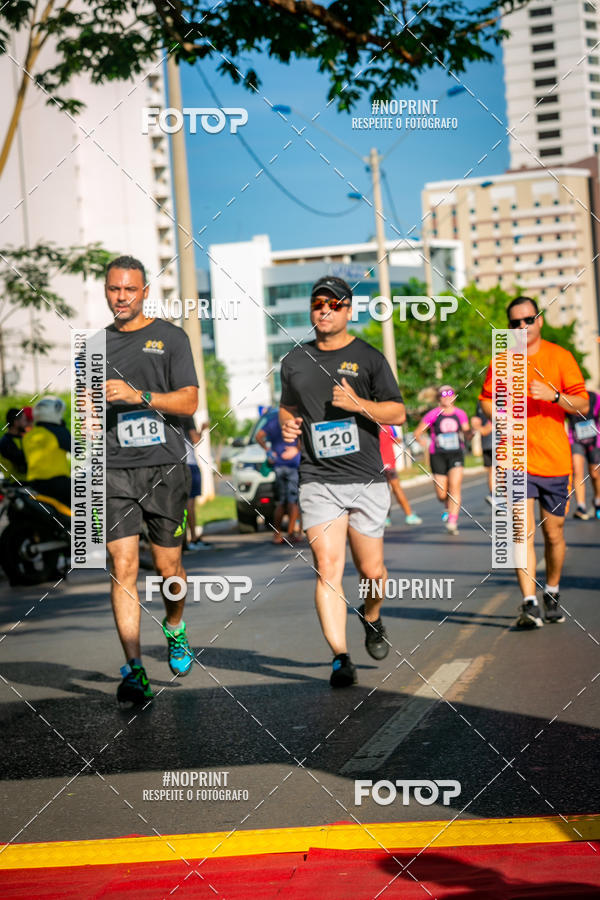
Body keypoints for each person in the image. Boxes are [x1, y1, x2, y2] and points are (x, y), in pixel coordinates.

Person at [279, 276, 406, 688]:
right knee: (328, 566)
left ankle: (371, 615)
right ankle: (340, 657)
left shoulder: (369, 358)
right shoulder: (294, 361)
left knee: (373, 572)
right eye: (318, 304)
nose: (325, 311)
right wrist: (287, 424)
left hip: (365, 479)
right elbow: (287, 408)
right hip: (318, 478)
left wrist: (359, 405)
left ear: (348, 310)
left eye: (334, 304)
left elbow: (398, 413)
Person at [104, 255, 199, 706]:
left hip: (163, 467)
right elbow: (85, 417)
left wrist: (138, 395)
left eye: (129, 289)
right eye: (114, 289)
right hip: (113, 470)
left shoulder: (170, 338)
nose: (121, 297)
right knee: (122, 567)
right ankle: (136, 670)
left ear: (144, 291)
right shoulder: (91, 345)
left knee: (168, 571)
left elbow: (190, 402)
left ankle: (175, 626)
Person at [479, 296, 588, 629]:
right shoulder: (502, 361)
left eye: (528, 320)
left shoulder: (561, 356)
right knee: (519, 533)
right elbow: (484, 402)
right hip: (516, 459)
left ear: (539, 320)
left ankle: (551, 589)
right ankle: (528, 603)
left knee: (554, 534)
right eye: (515, 323)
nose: (522, 328)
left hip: (555, 461)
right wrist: (500, 411)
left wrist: (554, 396)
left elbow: (582, 401)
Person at [413, 386, 470, 534]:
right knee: (442, 493)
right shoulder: (433, 414)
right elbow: (418, 432)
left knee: (455, 486)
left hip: (456, 454)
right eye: (443, 395)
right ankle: (447, 505)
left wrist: (472, 432)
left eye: (450, 394)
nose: (447, 397)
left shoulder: (460, 414)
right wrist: (423, 442)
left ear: (454, 396)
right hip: (437, 455)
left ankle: (452, 521)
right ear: (438, 398)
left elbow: (467, 432)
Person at [256, 412, 301, 544]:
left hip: (279, 464)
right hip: (293, 464)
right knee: (293, 501)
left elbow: (258, 436)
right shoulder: (295, 419)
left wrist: (268, 450)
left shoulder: (273, 421)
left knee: (281, 501)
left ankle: (277, 534)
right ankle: (292, 534)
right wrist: (297, 450)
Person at [22, 397, 71, 508]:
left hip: (34, 484)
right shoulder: (58, 432)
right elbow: (78, 449)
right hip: (58, 484)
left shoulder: (28, 436)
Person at [566, 389, 600, 520]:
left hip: (594, 439)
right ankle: (581, 506)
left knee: (595, 473)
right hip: (575, 439)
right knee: (577, 470)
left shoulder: (594, 397)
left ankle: (597, 500)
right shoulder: (566, 398)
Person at [378, 425, 422, 526]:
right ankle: (409, 515)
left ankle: (386, 518)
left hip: (377, 464)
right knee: (397, 489)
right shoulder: (389, 426)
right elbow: (397, 440)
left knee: (382, 492)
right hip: (389, 463)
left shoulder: (368, 425)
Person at [181, 415, 210, 549]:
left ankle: (182, 539)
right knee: (190, 504)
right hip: (189, 464)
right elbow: (195, 438)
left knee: (179, 504)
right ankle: (193, 537)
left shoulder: (166, 414)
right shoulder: (186, 416)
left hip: (174, 464)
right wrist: (203, 429)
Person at [471, 401, 494, 504]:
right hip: (491, 443)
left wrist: (478, 427)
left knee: (495, 471)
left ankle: (496, 496)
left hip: (495, 442)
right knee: (496, 471)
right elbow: (478, 422)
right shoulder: (481, 403)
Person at [0, 407, 31, 482]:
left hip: (25, 482)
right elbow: (22, 465)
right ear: (16, 422)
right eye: (24, 420)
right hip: (13, 484)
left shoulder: (22, 438)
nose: (27, 424)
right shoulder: (6, 442)